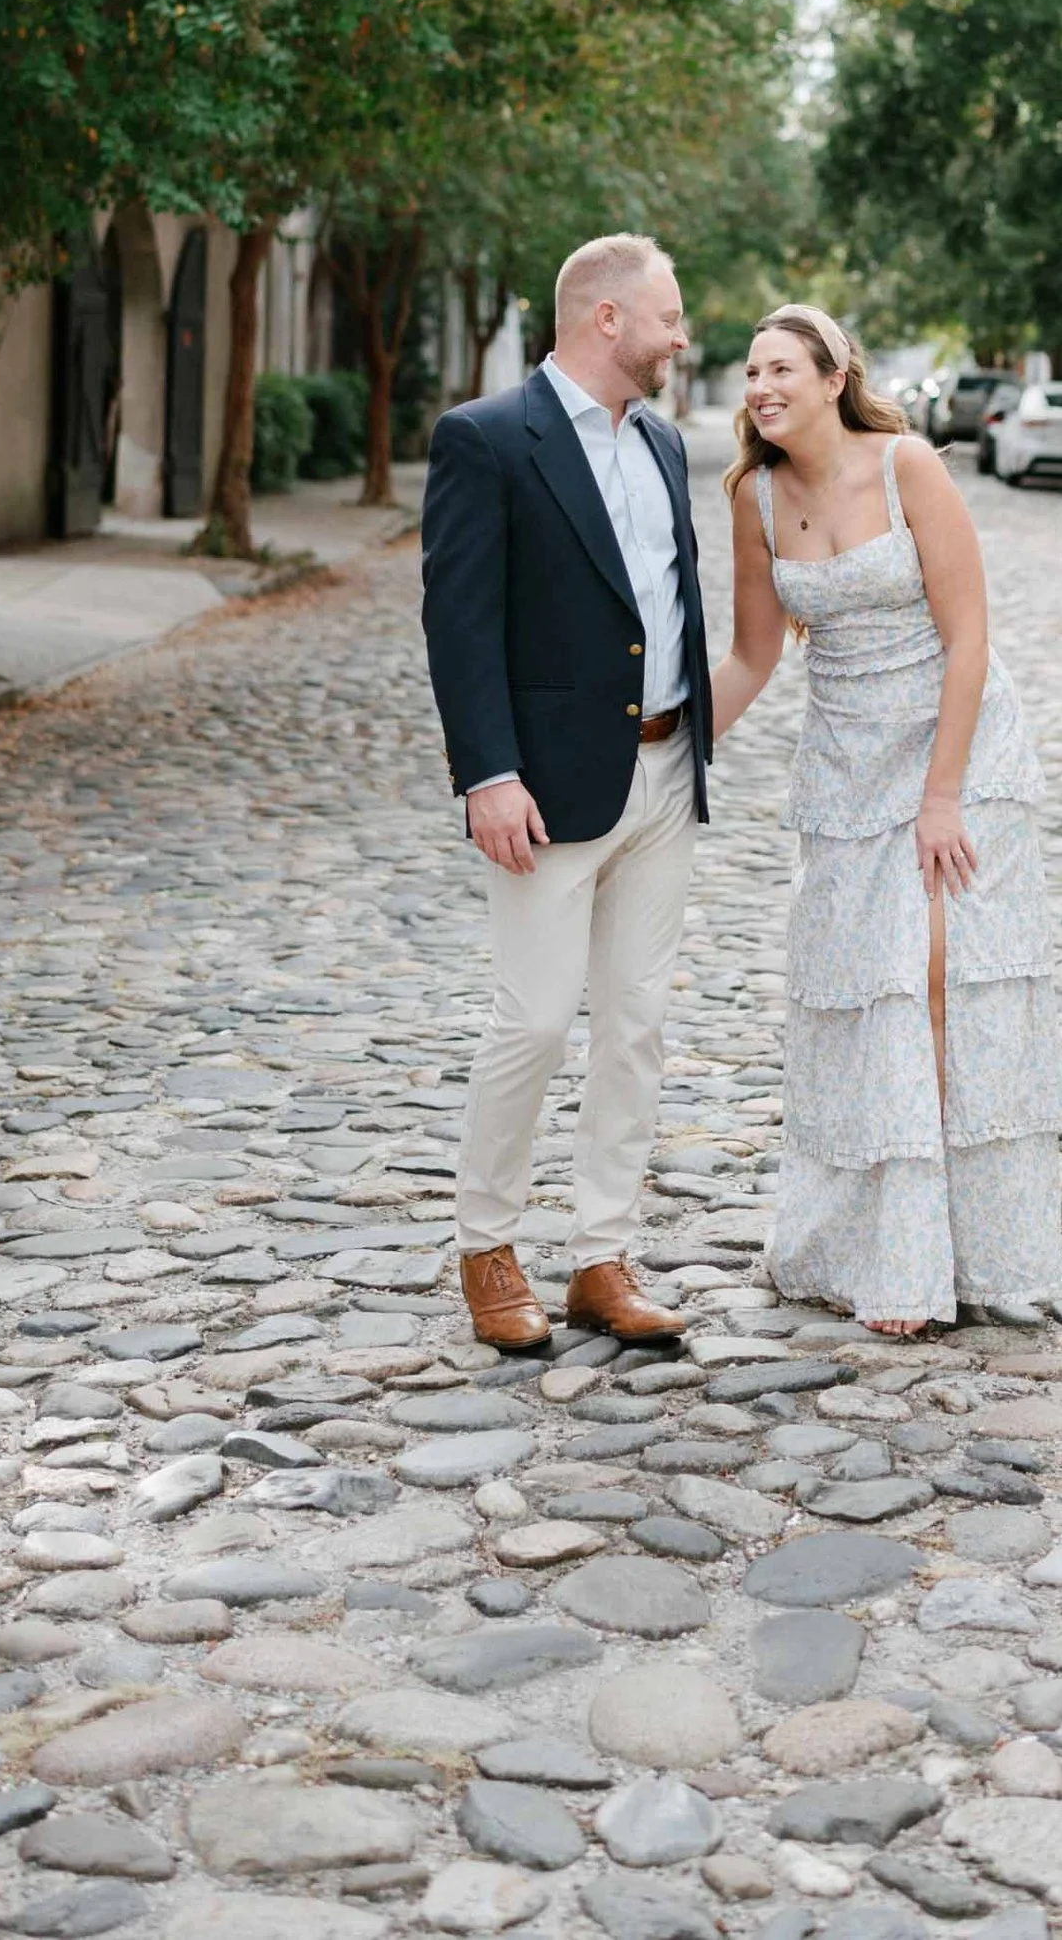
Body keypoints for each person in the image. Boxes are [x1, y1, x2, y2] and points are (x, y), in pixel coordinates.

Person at [710, 307, 1062, 1337]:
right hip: (846, 765)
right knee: (868, 990)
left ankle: (952, 1249)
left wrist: (940, 796)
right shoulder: (754, 497)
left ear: (834, 378)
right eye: (751, 372)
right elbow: (752, 657)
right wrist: (664, 748)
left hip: (956, 745)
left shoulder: (908, 466)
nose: (762, 387)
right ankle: (876, 1245)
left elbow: (969, 635)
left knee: (939, 978)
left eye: (782, 368)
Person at [421, 233, 712, 1352]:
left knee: (635, 1025)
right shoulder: (488, 438)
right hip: (544, 787)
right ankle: (486, 1246)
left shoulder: (664, 443)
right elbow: (459, 621)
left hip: (666, 770)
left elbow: (667, 606)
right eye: (668, 316)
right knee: (535, 1021)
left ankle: (602, 1256)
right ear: (606, 317)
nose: (680, 336)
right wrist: (487, 773)